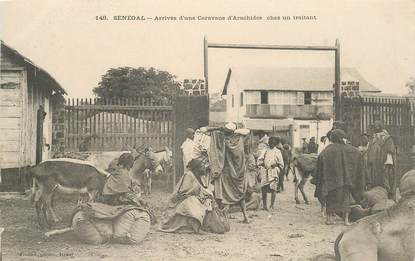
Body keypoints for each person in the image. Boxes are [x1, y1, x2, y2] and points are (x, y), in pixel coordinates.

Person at [314, 129, 364, 226]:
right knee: (345, 200)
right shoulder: (350, 149)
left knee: (330, 199)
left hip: (331, 181)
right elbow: (358, 155)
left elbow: (320, 160)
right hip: (345, 180)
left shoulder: (327, 150)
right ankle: (346, 220)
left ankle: (329, 219)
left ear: (332, 138)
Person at [210, 122, 251, 223]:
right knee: (240, 195)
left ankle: (226, 219)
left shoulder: (225, 141)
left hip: (229, 173)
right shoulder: (240, 139)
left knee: (227, 195)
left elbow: (213, 133)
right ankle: (246, 217)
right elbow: (247, 131)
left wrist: (218, 128)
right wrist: (237, 131)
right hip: (240, 172)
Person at [159, 158, 213, 234]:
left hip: (191, 197)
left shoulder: (200, 177)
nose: (204, 168)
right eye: (202, 166)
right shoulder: (188, 175)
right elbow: (183, 192)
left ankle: (203, 224)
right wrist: (197, 196)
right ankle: (196, 228)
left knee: (206, 202)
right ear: (196, 168)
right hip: (180, 200)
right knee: (192, 202)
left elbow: (201, 189)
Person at [366, 120, 397, 200]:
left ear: (380, 126)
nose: (374, 127)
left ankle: (388, 195)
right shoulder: (373, 137)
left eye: (376, 126)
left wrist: (388, 163)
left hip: (384, 162)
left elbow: (390, 151)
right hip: (374, 163)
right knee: (375, 179)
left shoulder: (387, 138)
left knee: (385, 179)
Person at [257, 136, 284, 210]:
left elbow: (281, 163)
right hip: (265, 170)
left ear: (275, 144)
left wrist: (276, 164)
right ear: (268, 143)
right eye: (270, 143)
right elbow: (260, 160)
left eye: (273, 144)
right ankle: (264, 205)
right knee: (263, 188)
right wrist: (262, 164)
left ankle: (272, 205)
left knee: (273, 188)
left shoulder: (277, 151)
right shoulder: (265, 150)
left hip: (273, 171)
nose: (271, 145)